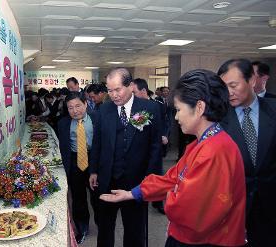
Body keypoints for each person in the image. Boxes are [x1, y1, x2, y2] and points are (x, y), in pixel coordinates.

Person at [100, 69, 246, 247]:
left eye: (178, 109)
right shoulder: (201, 145)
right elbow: (172, 179)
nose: (176, 117)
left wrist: (174, 193)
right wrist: (132, 194)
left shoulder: (214, 152)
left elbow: (189, 209)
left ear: (199, 108)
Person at [89, 67, 162, 247]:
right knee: (105, 228)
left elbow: (155, 146)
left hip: (136, 181)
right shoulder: (103, 110)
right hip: (107, 179)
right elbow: (97, 143)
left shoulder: (149, 108)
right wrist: (93, 171)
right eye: (109, 90)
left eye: (117, 89)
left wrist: (150, 178)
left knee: (135, 229)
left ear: (130, 86)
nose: (113, 95)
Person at [218, 58, 276, 247]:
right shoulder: (217, 118)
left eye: (233, 85)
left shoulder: (274, 110)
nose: (229, 93)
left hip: (270, 205)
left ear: (251, 81)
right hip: (231, 206)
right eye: (224, 87)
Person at [57, 92, 98, 244]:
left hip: (94, 161)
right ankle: (82, 228)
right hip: (75, 162)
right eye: (70, 108)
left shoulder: (97, 119)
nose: (75, 111)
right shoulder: (63, 123)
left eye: (78, 106)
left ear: (86, 104)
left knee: (97, 196)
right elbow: (63, 147)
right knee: (79, 198)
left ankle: (102, 222)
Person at [132, 78, 167, 214]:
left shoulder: (156, 105)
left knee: (156, 175)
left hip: (155, 148)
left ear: (143, 91)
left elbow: (165, 122)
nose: (132, 96)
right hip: (141, 151)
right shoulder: (135, 108)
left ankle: (158, 201)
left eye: (134, 92)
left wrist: (165, 135)